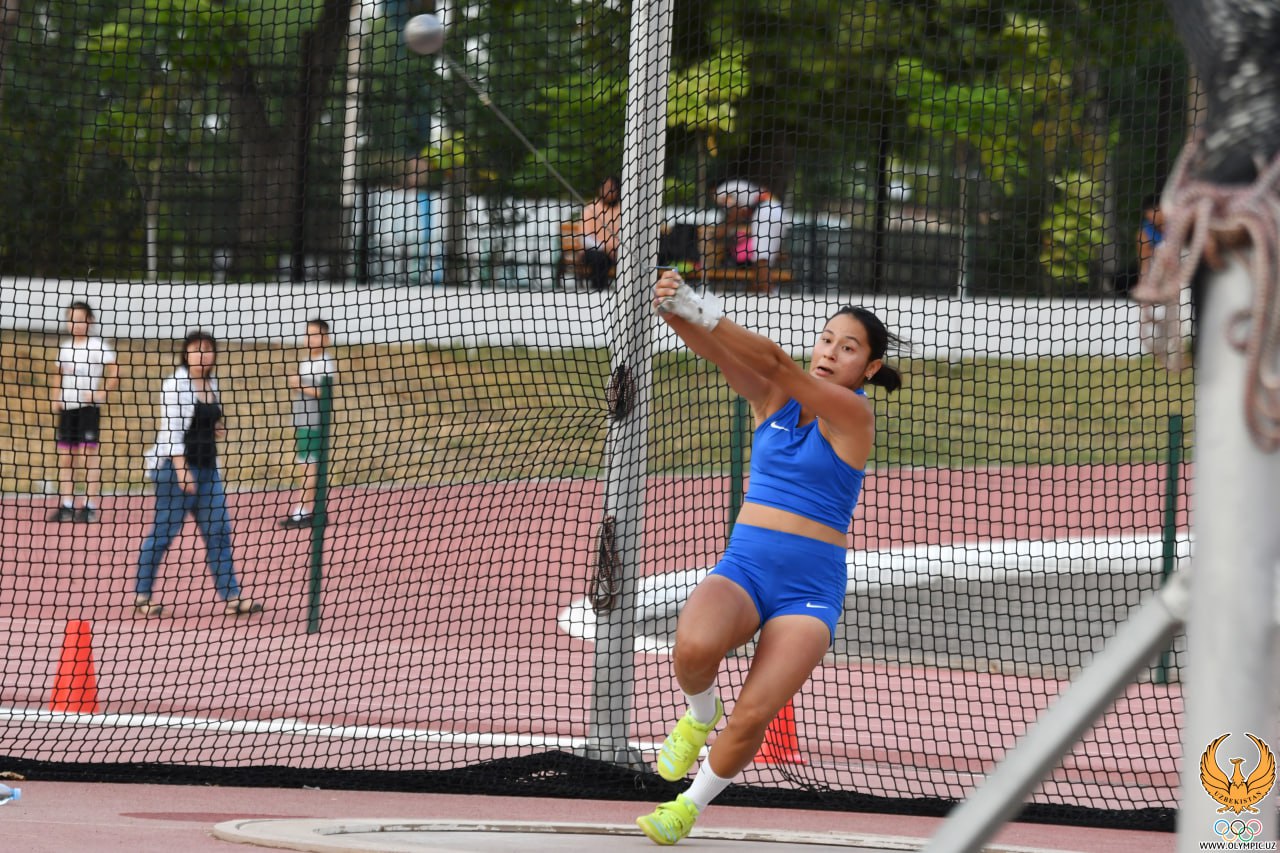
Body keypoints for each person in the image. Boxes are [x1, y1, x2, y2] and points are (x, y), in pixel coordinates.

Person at [635, 270, 902, 846]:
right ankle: (699, 714)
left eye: (848, 348)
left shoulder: (853, 415)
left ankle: (687, 806)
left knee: (754, 714)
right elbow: (719, 353)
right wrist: (674, 311)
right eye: (826, 340)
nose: (829, 352)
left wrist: (705, 311)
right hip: (746, 567)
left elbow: (779, 363)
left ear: (870, 368)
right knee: (693, 649)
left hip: (810, 590)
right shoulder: (774, 401)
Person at [134, 330, 263, 618]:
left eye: (207, 349)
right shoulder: (175, 384)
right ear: (186, 353)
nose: (202, 355)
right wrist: (181, 470)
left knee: (219, 531)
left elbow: (206, 418)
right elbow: (171, 431)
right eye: (196, 350)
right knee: (163, 534)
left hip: (208, 470)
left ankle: (232, 597)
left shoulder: (211, 382)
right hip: (175, 471)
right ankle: (142, 596)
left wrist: (215, 428)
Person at [49, 300, 119, 523]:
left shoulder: (98, 346)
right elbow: (58, 374)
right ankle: (67, 505)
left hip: (88, 409)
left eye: (80, 319)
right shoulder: (65, 348)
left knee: (89, 456)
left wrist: (101, 394)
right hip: (67, 409)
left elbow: (115, 372)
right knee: (66, 458)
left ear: (90, 321)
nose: (76, 324)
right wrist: (55, 396)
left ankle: (89, 506)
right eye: (71, 320)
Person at [281, 318, 338, 529]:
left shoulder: (324, 363)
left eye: (316, 335)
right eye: (308, 334)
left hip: (313, 423)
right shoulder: (308, 360)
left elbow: (326, 393)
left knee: (310, 467)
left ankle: (303, 512)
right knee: (306, 466)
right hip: (303, 421)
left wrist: (299, 385)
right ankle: (314, 510)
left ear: (326, 339)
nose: (310, 338)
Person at [577, 175, 621, 290]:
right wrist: (605, 247)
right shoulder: (591, 209)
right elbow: (585, 239)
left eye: (610, 188)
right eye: (604, 187)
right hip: (595, 251)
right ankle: (598, 289)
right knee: (601, 258)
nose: (606, 191)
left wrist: (616, 249)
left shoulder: (623, 210)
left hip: (618, 252)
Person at [1136, 193, 1164, 283]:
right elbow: (1144, 264)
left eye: (1153, 210)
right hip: (1159, 275)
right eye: (1147, 212)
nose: (1149, 216)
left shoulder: (1178, 223)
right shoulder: (1144, 234)